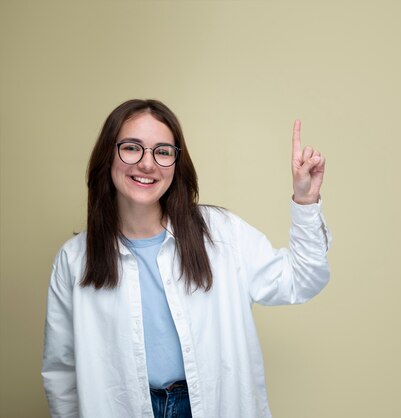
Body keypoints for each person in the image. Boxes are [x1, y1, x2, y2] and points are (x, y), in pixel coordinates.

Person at [42, 99, 331, 418]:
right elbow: (62, 372)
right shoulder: (74, 260)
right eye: (131, 148)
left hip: (208, 404)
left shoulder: (221, 234)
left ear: (176, 164)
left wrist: (306, 200)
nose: (147, 164)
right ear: (107, 156)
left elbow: (302, 281)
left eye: (162, 151)